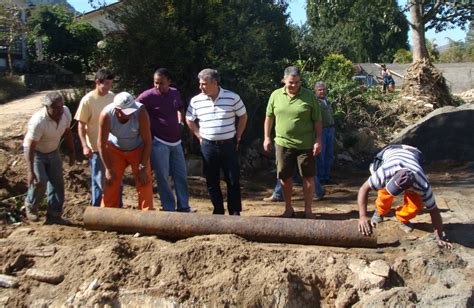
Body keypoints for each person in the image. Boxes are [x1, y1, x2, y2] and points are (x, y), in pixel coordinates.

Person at [357, 144, 453, 249]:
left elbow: (434, 210)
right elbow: (363, 189)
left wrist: (439, 236)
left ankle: (403, 218)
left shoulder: (422, 184)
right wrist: (363, 217)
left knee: (416, 205)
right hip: (390, 152)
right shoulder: (385, 171)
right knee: (384, 194)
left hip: (413, 154)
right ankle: (379, 212)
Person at [186, 68, 248, 215]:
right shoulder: (196, 100)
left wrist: (238, 136)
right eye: (200, 84)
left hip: (228, 144)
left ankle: (234, 212)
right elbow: (189, 119)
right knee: (212, 181)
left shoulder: (232, 97)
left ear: (215, 83)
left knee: (232, 179)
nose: (200, 87)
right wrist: (198, 135)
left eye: (204, 84)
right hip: (208, 145)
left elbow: (243, 116)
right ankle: (218, 210)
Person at [263, 66, 322, 218]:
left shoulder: (309, 96)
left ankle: (308, 210)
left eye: (297, 82)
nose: (294, 85)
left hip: (306, 144)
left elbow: (317, 120)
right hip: (283, 143)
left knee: (308, 177)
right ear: (284, 80)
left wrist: (318, 140)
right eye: (291, 82)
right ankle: (288, 208)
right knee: (284, 177)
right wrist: (267, 137)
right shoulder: (275, 95)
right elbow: (269, 117)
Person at [137, 68, 191, 212]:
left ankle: (184, 207)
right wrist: (145, 127)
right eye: (155, 83)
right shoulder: (147, 96)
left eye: (161, 83)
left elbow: (180, 107)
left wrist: (181, 119)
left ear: (169, 82)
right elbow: (134, 109)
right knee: (163, 177)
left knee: (181, 176)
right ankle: (169, 209)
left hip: (176, 142)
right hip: (159, 142)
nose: (158, 86)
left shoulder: (174, 93)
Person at [23, 91, 75, 225]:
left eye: (61, 106)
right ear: (47, 107)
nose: (60, 110)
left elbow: (68, 132)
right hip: (37, 153)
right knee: (40, 180)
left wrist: (71, 151)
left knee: (57, 183)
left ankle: (54, 215)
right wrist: (30, 171)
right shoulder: (38, 121)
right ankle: (31, 206)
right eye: (56, 108)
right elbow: (30, 146)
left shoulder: (65, 113)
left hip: (53, 150)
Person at [98, 92, 153, 210]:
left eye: (131, 109)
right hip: (115, 149)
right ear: (117, 110)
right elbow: (101, 144)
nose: (131, 113)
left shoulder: (141, 112)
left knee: (144, 181)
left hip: (138, 149)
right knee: (111, 181)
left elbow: (148, 141)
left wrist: (143, 167)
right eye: (127, 111)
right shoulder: (106, 115)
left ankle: (146, 215)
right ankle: (107, 214)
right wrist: (108, 169)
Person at [75, 68, 117, 207]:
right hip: (95, 147)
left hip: (111, 146)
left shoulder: (112, 97)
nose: (108, 87)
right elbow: (81, 125)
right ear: (97, 82)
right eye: (106, 84)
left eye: (111, 84)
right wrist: (85, 146)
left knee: (115, 179)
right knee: (99, 180)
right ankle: (97, 208)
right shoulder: (88, 100)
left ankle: (116, 206)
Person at [314, 81, 335, 184]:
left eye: (323, 89)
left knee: (329, 154)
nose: (322, 91)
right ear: (315, 91)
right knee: (321, 155)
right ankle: (321, 178)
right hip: (321, 130)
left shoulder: (327, 100)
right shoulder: (315, 102)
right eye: (319, 90)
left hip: (330, 130)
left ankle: (327, 176)